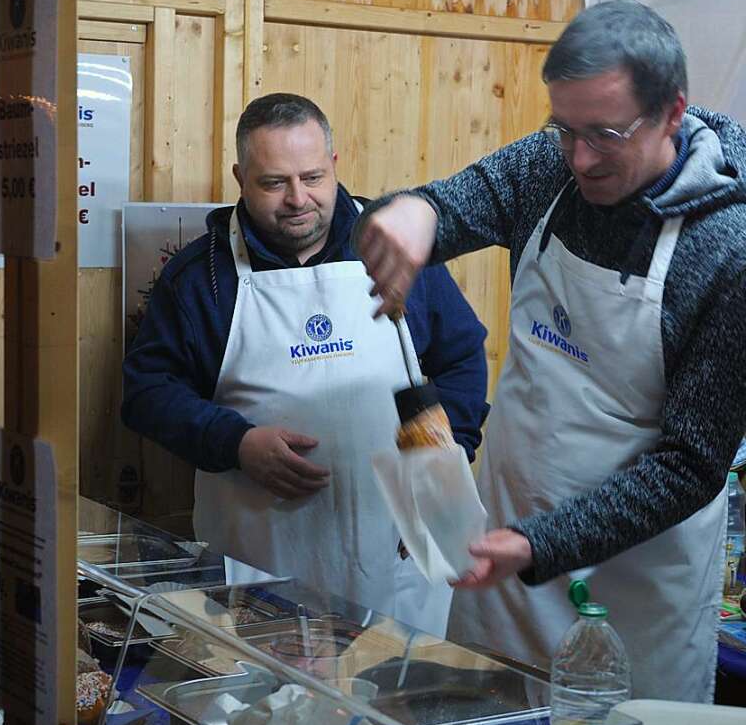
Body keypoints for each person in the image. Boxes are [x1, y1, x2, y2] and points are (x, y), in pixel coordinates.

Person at [354, 0, 746, 700]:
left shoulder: (726, 250)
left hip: (634, 594)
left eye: (605, 134)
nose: (580, 157)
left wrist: (542, 544)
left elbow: (693, 464)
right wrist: (413, 213)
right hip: (503, 566)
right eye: (564, 129)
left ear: (672, 112)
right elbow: (455, 202)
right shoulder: (553, 165)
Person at [122, 92, 489, 636]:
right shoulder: (202, 277)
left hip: (399, 547)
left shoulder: (393, 249)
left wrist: (437, 459)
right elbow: (147, 392)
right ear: (240, 177)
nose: (298, 199)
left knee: (397, 695)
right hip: (262, 558)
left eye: (313, 177)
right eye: (274, 183)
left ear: (335, 166)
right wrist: (235, 443)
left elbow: (460, 356)